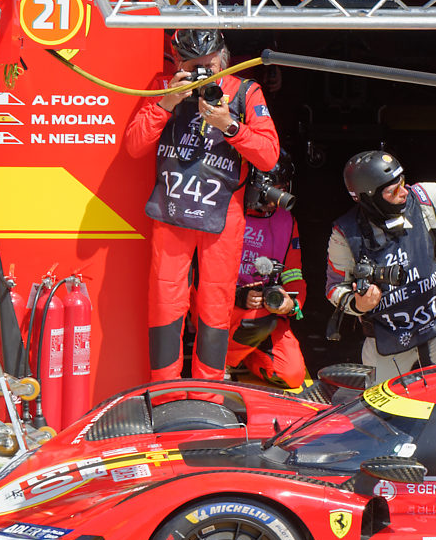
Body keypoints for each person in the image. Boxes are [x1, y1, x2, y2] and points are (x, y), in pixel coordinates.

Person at [125, 29, 280, 383]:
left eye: (208, 66)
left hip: (223, 214)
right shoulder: (162, 86)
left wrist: (229, 125)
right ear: (177, 62)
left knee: (215, 302)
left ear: (223, 58)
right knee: (165, 301)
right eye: (192, 67)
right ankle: (164, 388)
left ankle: (208, 389)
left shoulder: (244, 91)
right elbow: (134, 146)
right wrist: (167, 103)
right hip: (172, 211)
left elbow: (269, 156)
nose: (201, 74)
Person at [328, 150, 436, 381]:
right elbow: (334, 288)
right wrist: (357, 303)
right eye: (393, 190)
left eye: (402, 182)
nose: (404, 192)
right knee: (383, 414)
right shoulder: (344, 233)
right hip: (386, 339)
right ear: (368, 197)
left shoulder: (422, 197)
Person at [225, 154, 309, 391]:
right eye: (274, 190)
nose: (277, 199)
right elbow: (198, 273)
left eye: (282, 189)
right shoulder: (224, 208)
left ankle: (245, 353)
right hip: (223, 307)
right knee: (257, 321)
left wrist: (291, 304)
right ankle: (221, 361)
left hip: (265, 313)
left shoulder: (286, 220)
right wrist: (238, 295)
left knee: (291, 375)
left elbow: (293, 274)